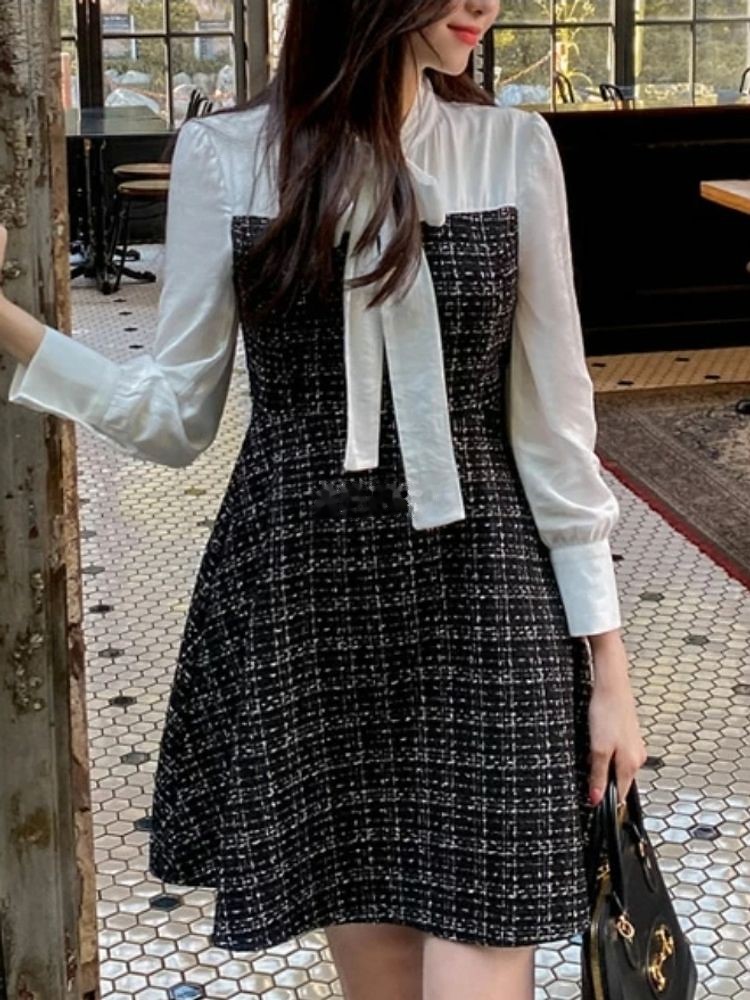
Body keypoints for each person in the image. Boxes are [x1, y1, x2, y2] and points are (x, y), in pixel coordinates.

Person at [0, 1, 648, 997]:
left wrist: (609, 666)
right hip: (310, 607)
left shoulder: (512, 149)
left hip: (486, 601)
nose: (486, 3)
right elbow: (173, 416)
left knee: (485, 951)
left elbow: (556, 432)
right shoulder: (226, 157)